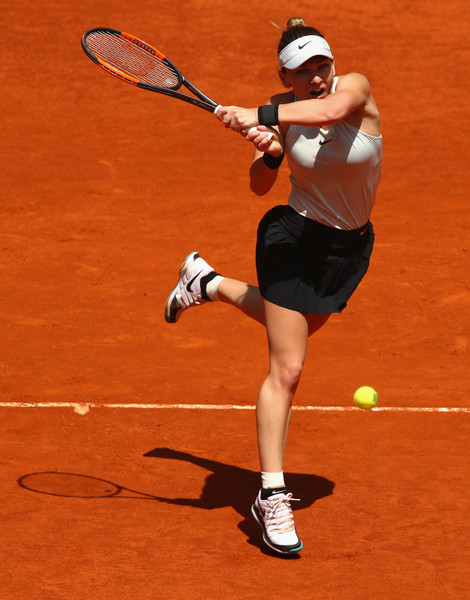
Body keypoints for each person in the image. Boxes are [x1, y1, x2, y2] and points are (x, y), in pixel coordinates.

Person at [164, 17, 382, 555]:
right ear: (284, 75)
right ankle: (272, 495)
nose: (316, 77)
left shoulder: (354, 90)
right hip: (292, 241)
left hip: (348, 250)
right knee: (288, 367)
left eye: (321, 65)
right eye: (302, 70)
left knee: (302, 329)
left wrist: (261, 114)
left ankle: (206, 281)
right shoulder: (285, 112)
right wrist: (270, 151)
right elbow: (260, 187)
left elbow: (329, 112)